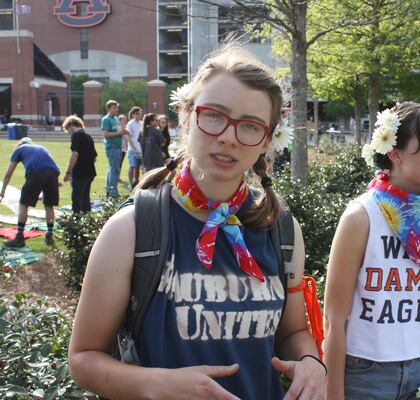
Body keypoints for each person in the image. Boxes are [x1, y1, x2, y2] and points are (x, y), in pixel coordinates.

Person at [68, 44, 326, 400]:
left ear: (267, 140)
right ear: (187, 117)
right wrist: (156, 384)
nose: (228, 137)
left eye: (249, 126)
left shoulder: (281, 228)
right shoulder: (132, 229)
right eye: (214, 115)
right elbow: (83, 358)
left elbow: (292, 332)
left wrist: (312, 362)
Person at [323, 102, 420, 400]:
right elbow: (334, 318)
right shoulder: (361, 216)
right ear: (394, 153)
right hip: (365, 376)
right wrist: (333, 394)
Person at [0, 138, 60, 247]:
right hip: (54, 173)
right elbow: (49, 167)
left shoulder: (19, 149)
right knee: (48, 205)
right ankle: (50, 235)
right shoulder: (41, 148)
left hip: (37, 173)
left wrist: (2, 192)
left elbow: (8, 174)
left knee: (23, 205)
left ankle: (19, 237)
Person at [62, 115, 97, 213]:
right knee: (86, 198)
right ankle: (87, 218)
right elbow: (94, 157)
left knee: (76, 198)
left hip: (80, 172)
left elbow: (75, 154)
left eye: (67, 129)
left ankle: (76, 220)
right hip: (90, 172)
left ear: (71, 125)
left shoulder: (76, 136)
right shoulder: (88, 137)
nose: (68, 132)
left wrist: (68, 172)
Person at [101, 100, 127, 198]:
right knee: (114, 170)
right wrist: (119, 133)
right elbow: (106, 134)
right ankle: (114, 193)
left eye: (116, 107)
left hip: (118, 147)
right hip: (112, 147)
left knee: (112, 169)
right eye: (114, 107)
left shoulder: (116, 119)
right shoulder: (106, 119)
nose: (116, 109)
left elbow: (118, 131)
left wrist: (124, 131)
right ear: (108, 108)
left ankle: (109, 190)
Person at [125, 106, 143, 189]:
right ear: (133, 114)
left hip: (141, 149)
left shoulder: (142, 123)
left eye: (140, 113)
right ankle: (130, 183)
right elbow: (128, 137)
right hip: (132, 149)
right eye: (137, 113)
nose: (139, 115)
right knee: (132, 166)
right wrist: (134, 148)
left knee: (138, 167)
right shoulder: (130, 123)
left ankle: (136, 182)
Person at [118, 114, 129, 184]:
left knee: (120, 164)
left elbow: (127, 139)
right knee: (117, 164)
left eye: (125, 120)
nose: (125, 121)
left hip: (123, 149)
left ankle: (118, 177)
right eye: (123, 120)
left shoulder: (125, 128)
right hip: (118, 148)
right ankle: (116, 177)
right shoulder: (118, 128)